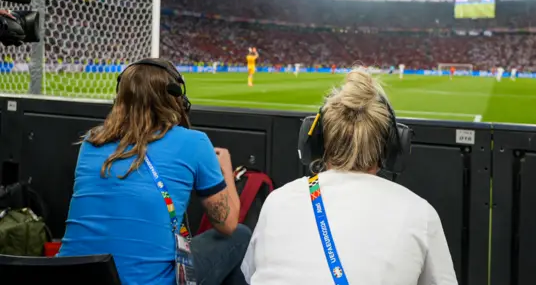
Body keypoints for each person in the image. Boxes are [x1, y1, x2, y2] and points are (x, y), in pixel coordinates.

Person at [241, 68, 457, 285]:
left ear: (317, 141)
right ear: (390, 146)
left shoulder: (277, 201)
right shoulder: (420, 214)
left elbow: (250, 274)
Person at [58, 58, 251, 285]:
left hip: (67, 276)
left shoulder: (92, 141)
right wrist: (226, 169)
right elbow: (227, 224)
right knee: (240, 235)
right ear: (177, 98)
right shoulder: (195, 143)